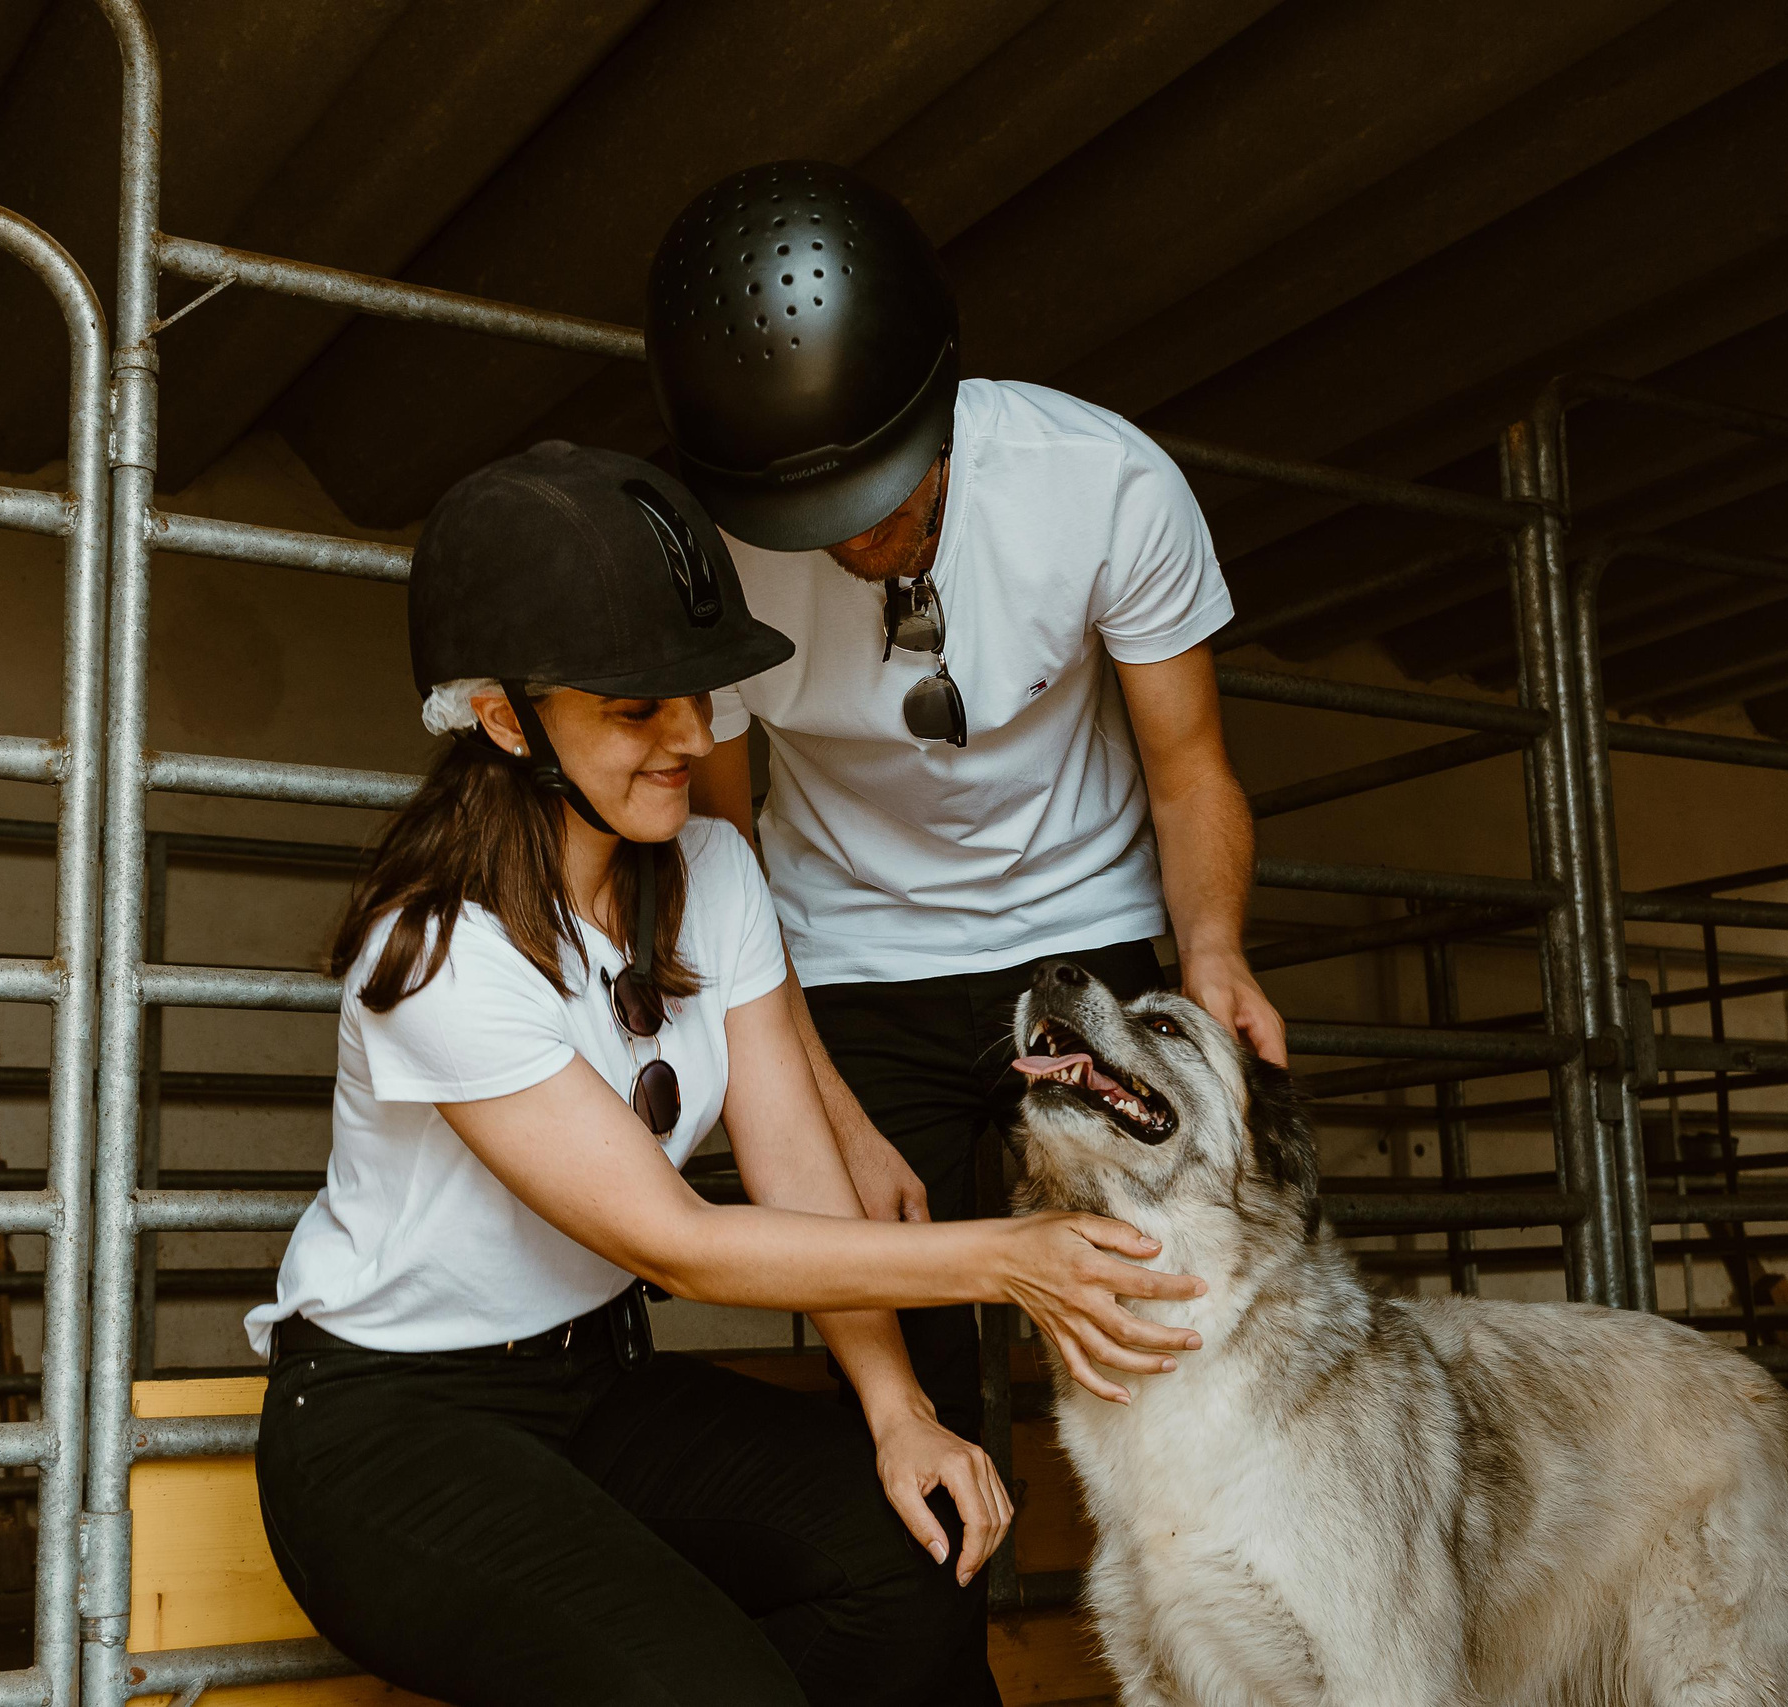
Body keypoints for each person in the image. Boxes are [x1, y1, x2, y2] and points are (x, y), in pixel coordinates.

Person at [247, 441, 1205, 1707]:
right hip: (391, 1433)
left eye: (698, 696)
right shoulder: (437, 950)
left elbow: (798, 1168)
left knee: (914, 1559)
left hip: (599, 1388)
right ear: (505, 718)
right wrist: (1008, 1257)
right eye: (635, 710)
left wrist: (896, 1409)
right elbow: (679, 1244)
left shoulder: (715, 872)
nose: (691, 738)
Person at [644, 158, 1284, 1554]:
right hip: (848, 957)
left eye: (877, 499)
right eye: (814, 516)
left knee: (1163, 1314)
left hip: (1085, 929)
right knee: (911, 1393)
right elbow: (721, 848)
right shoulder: (713, 561)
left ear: (938, 404)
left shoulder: (1103, 483)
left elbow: (1188, 768)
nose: (850, 536)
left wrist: (1212, 954)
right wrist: (818, 1097)